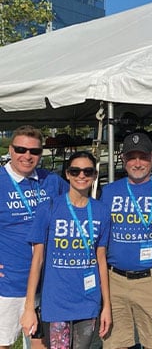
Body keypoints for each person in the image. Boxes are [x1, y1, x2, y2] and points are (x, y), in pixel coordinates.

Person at [20, 151, 111, 348]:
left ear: (95, 175)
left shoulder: (101, 211)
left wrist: (107, 306)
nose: (81, 176)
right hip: (57, 302)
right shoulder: (49, 208)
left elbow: (101, 260)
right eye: (75, 171)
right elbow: (37, 260)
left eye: (87, 171)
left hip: (88, 300)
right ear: (67, 174)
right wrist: (29, 307)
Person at [101, 132, 152, 349]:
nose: (137, 163)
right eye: (131, 157)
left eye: (142, 157)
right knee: (114, 343)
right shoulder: (108, 192)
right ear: (123, 159)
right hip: (114, 280)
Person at [0, 125, 69, 349]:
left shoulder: (51, 181)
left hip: (46, 283)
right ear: (10, 150)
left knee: (41, 345)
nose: (27, 156)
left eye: (34, 151)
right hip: (9, 284)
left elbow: (74, 208)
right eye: (21, 149)